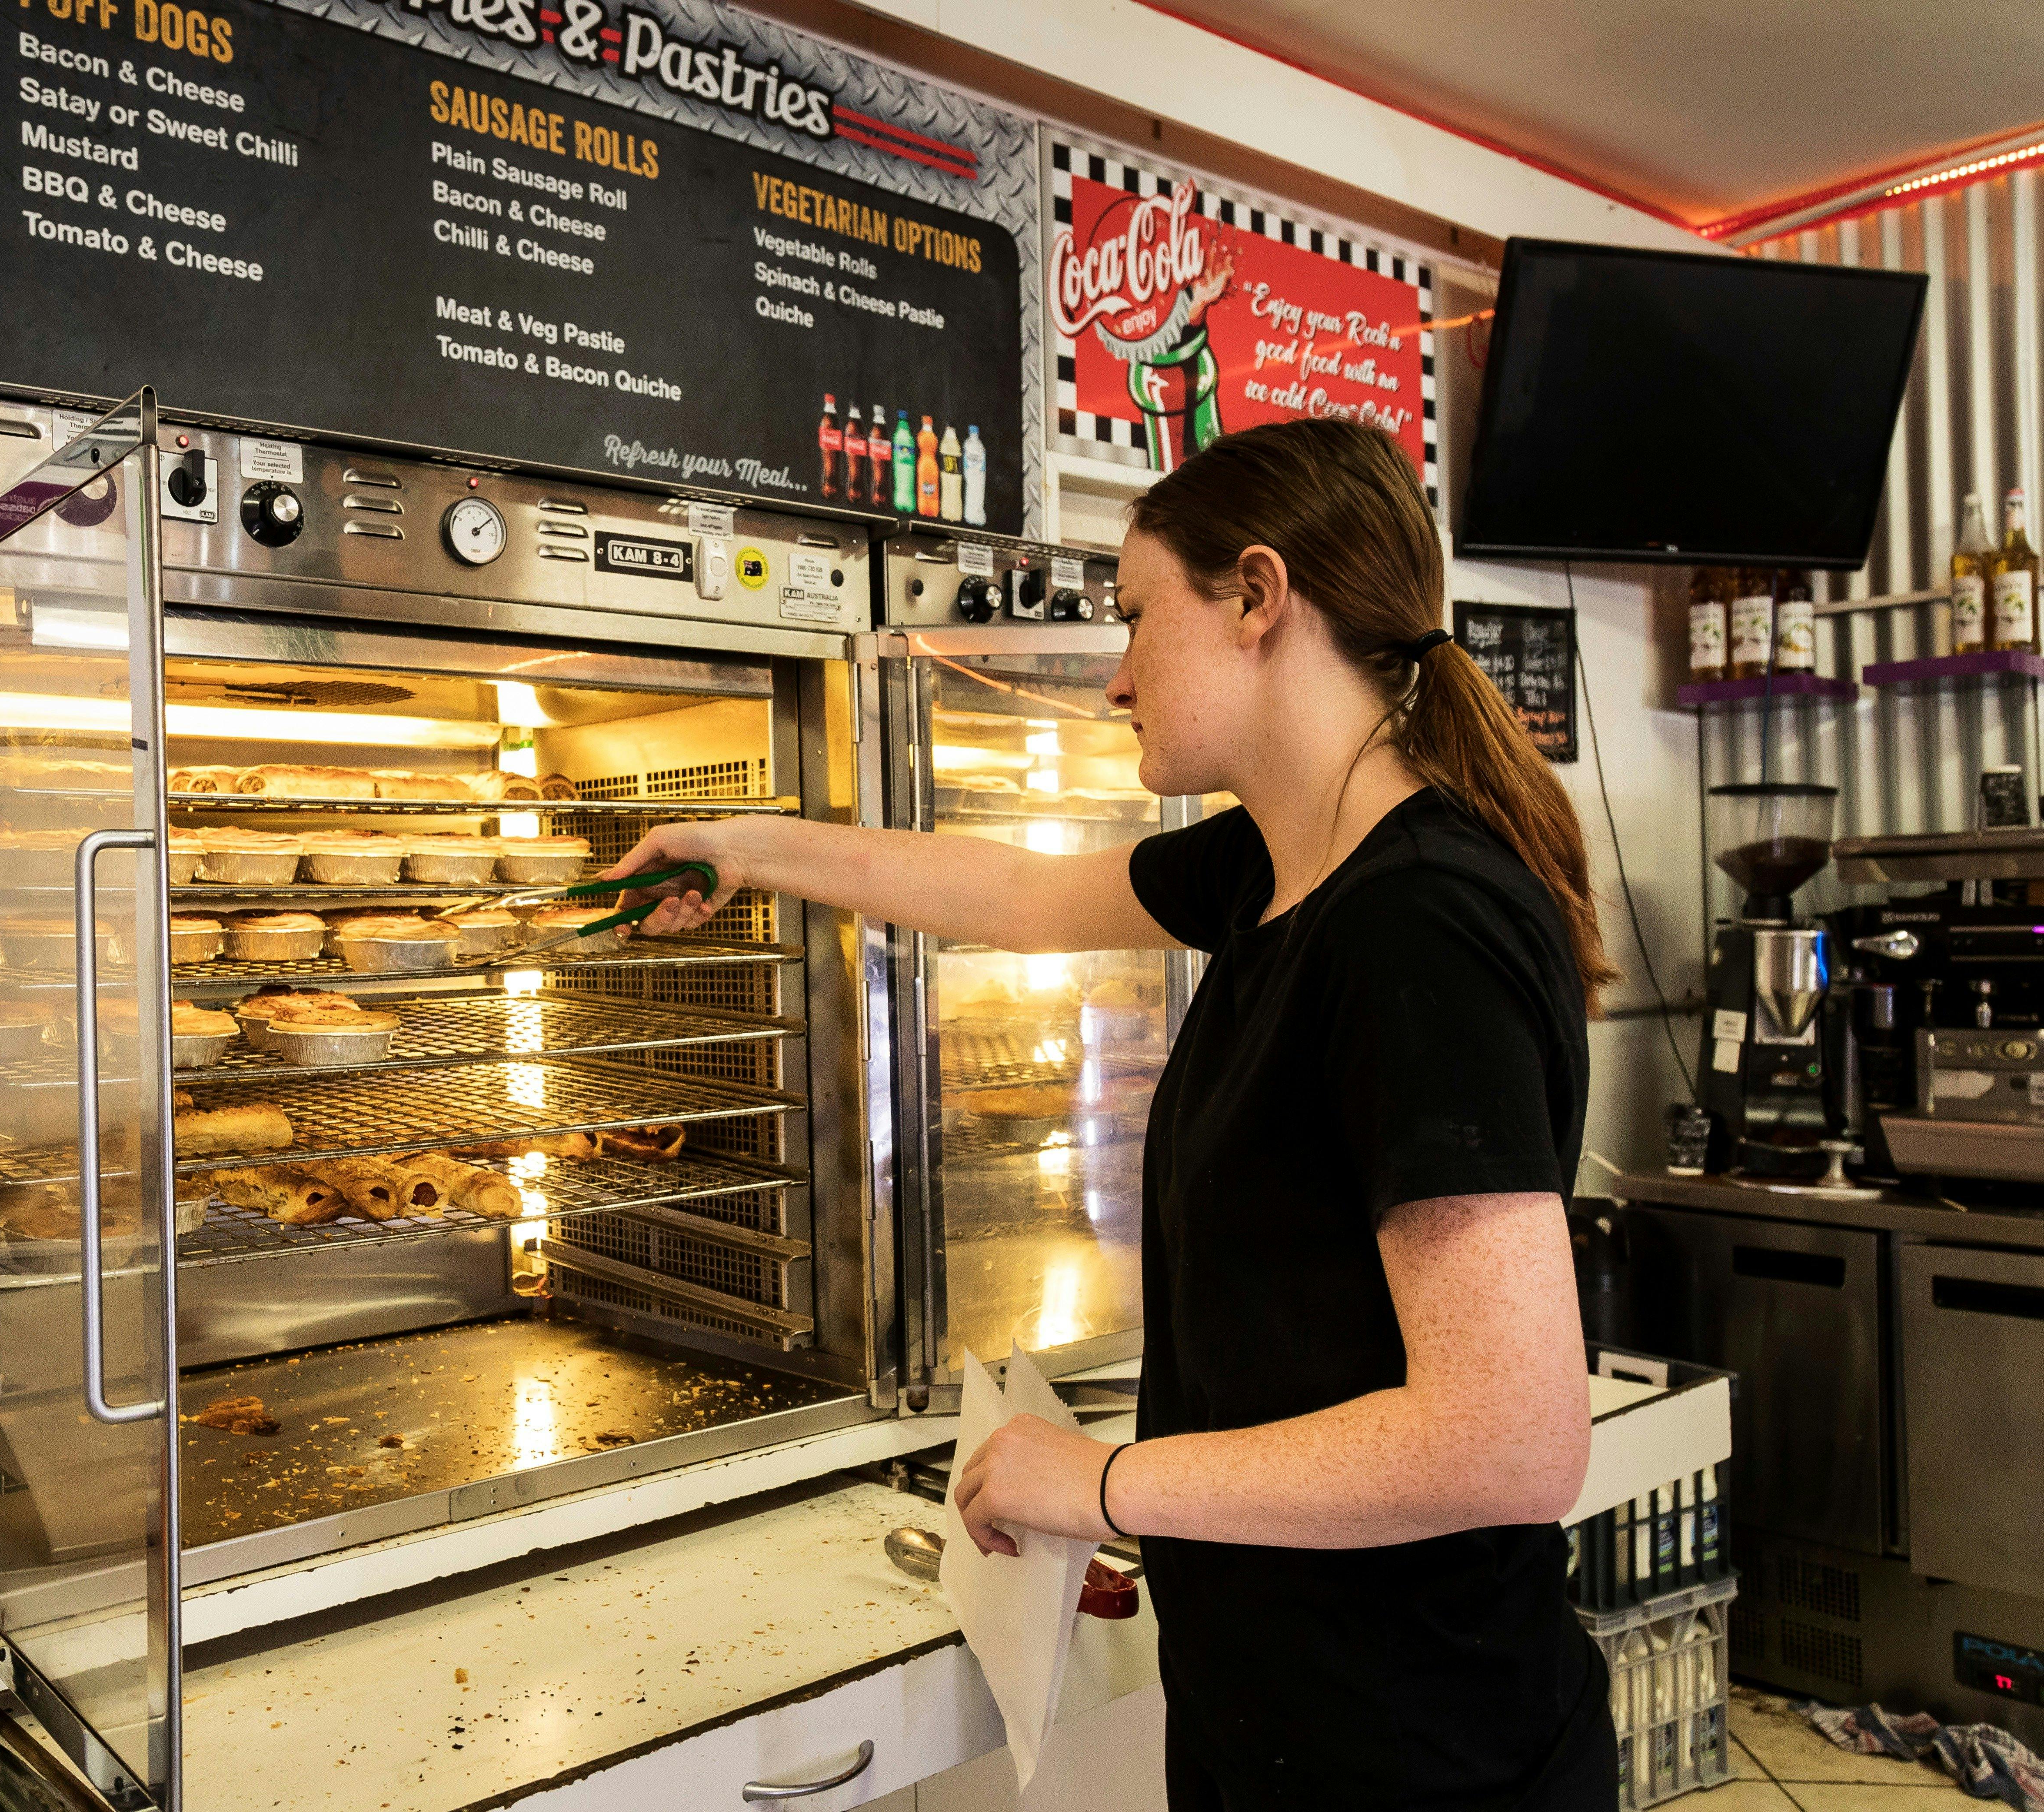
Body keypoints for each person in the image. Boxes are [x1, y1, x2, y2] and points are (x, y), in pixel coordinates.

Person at [599, 417, 1616, 1808]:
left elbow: (1509, 1439)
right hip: (1279, 1718)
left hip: (1422, 1753)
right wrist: (750, 847)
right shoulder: (1276, 866)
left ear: (1259, 597)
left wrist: (1110, 1482)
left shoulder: (1419, 925)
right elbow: (1013, 894)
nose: (1117, 679)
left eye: (1140, 617)